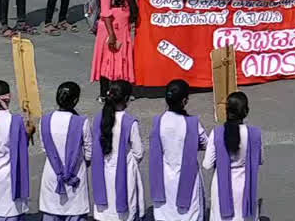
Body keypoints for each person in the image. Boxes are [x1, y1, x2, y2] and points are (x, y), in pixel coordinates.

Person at [150, 80, 207, 221]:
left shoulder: (159, 121)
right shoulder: (192, 123)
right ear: (184, 101)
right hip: (188, 178)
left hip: (164, 178)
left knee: (166, 213)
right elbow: (205, 143)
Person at [204, 92, 263, 221]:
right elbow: (259, 160)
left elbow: (207, 164)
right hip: (244, 186)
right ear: (246, 111)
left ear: (226, 111)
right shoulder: (255, 134)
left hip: (221, 186)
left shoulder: (217, 133)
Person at [91, 80, 144, 221]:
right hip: (125, 172)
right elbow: (138, 152)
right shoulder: (129, 122)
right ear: (127, 99)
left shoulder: (98, 119)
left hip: (103, 171)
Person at [39, 82, 93, 221]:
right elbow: (88, 151)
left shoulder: (45, 120)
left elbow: (45, 147)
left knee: (51, 209)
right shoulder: (81, 121)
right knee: (75, 212)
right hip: (75, 174)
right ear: (75, 100)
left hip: (52, 173)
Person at [90, 0, 138, 101]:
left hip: (122, 27)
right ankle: (104, 94)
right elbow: (105, 12)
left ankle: (121, 92)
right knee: (108, 61)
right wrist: (111, 35)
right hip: (111, 28)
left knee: (121, 60)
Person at [0, 80, 30, 220]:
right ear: (9, 96)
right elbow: (21, 145)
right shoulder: (14, 121)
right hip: (8, 175)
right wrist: (29, 132)